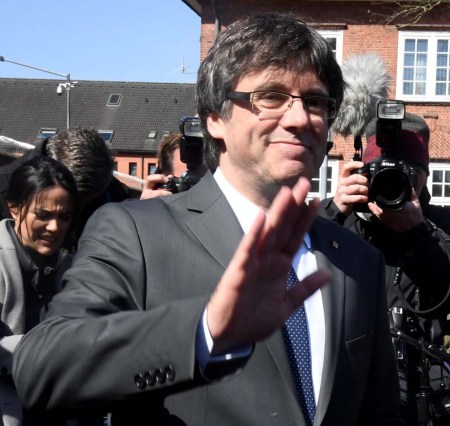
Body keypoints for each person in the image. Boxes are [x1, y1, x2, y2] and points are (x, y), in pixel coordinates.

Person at [13, 12, 402, 425]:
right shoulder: (136, 233)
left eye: (315, 101)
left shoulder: (358, 259)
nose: (299, 118)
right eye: (270, 97)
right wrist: (206, 332)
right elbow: (43, 368)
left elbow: (380, 412)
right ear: (215, 118)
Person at [320, 113, 450, 424]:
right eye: (382, 172)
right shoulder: (339, 218)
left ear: (425, 175)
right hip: (347, 381)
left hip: (421, 385)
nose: (394, 182)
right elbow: (289, 276)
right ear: (363, 172)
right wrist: (333, 212)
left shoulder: (440, 224)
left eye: (408, 173)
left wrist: (419, 233)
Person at [0, 156, 80, 425]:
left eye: (64, 216)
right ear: (14, 208)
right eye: (43, 215)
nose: (55, 227)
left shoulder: (75, 267)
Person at [0, 128, 129, 246]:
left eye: (90, 200)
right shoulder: (4, 189)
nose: (54, 227)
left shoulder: (106, 186)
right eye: (43, 214)